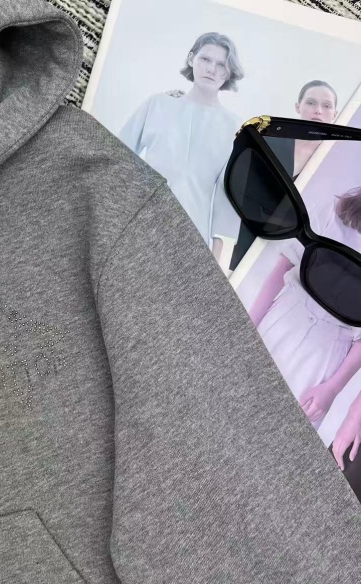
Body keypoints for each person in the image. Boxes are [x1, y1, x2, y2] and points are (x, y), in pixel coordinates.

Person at [119, 32, 244, 256]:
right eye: (205, 59)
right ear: (191, 59)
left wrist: (216, 258)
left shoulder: (234, 127)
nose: (211, 69)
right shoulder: (157, 104)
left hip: (191, 236)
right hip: (138, 224)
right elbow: (119, 159)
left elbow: (227, 198)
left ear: (228, 72)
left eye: (221, 65)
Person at [248, 186, 361, 430]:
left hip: (324, 354)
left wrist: (333, 388)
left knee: (278, 433)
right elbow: (282, 268)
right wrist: (246, 325)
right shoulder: (334, 211)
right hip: (282, 320)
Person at [230, 81, 339, 270]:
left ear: (335, 114)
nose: (318, 111)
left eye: (326, 106)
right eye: (311, 103)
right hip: (237, 237)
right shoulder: (267, 143)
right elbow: (239, 189)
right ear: (298, 107)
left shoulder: (330, 166)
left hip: (276, 256)